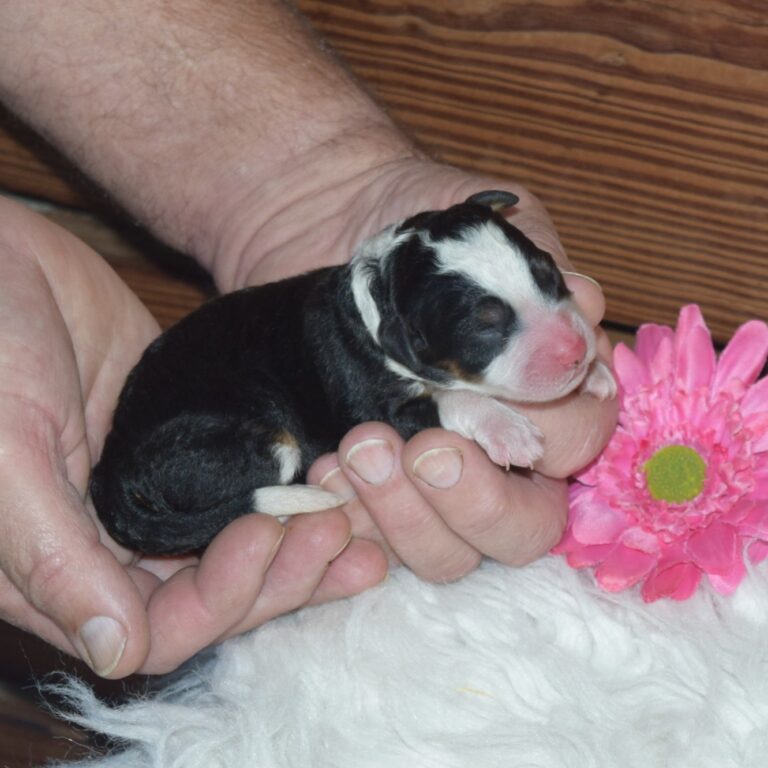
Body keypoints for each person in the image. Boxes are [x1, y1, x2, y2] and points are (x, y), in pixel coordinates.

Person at [0, 0, 617, 679]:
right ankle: (250, 496)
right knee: (280, 447)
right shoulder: (367, 343)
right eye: (491, 323)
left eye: (543, 281)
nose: (567, 338)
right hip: (188, 442)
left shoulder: (388, 309)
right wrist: (474, 409)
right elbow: (397, 410)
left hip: (196, 409)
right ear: (407, 334)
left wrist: (318, 184)